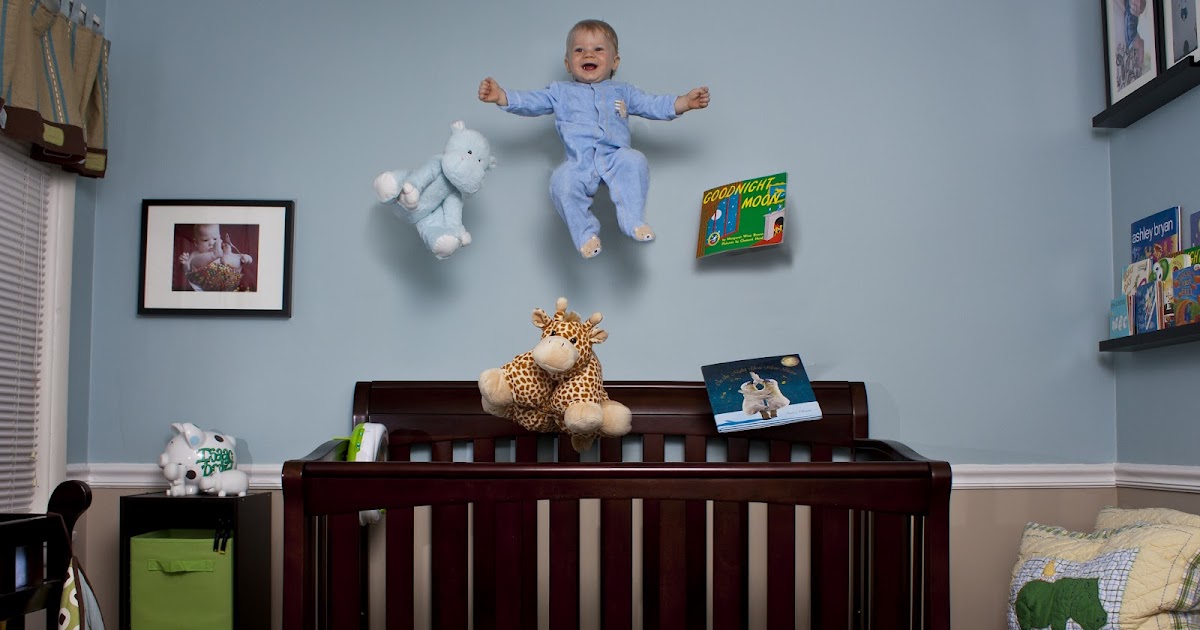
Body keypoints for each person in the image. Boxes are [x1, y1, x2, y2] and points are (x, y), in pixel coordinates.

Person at [479, 19, 710, 258]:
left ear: (615, 61)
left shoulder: (623, 92)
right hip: (579, 163)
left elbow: (652, 104)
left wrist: (684, 102)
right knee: (561, 182)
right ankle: (585, 236)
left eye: (598, 49)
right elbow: (532, 101)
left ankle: (633, 221)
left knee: (635, 161)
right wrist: (502, 97)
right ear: (568, 64)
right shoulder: (560, 92)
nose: (588, 54)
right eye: (579, 50)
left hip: (615, 157)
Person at [178, 224, 253, 291]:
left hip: (226, 284)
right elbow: (188, 272)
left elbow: (236, 257)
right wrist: (185, 264)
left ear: (220, 238)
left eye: (215, 239)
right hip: (205, 287)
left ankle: (235, 260)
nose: (211, 243)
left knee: (232, 258)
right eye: (205, 240)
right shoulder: (195, 254)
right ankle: (213, 255)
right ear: (196, 243)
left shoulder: (224, 252)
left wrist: (247, 258)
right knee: (194, 261)